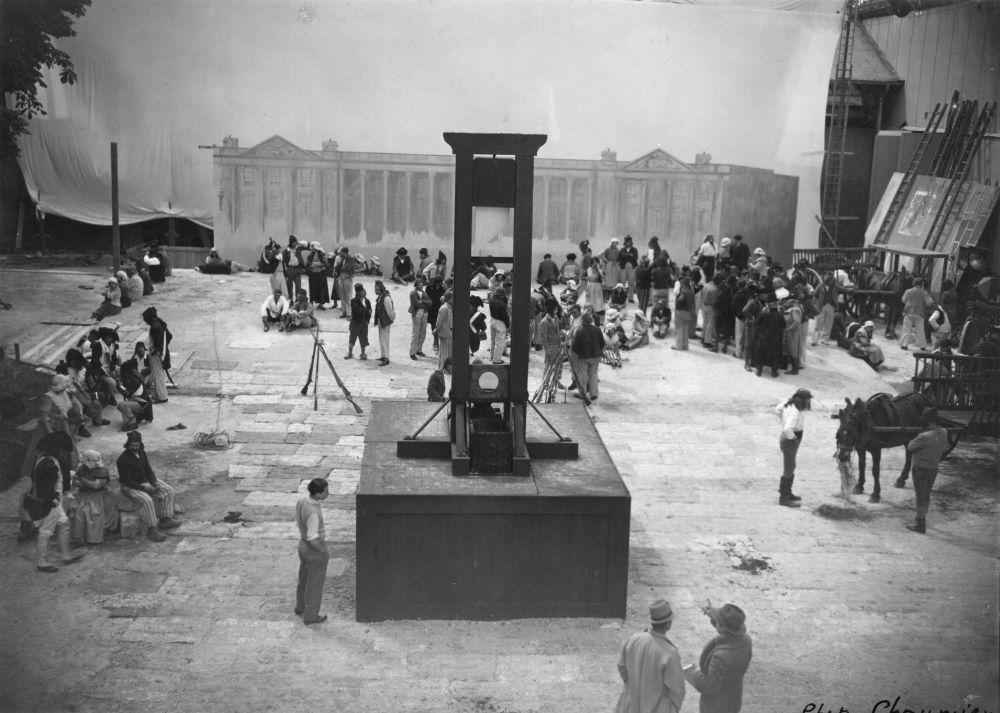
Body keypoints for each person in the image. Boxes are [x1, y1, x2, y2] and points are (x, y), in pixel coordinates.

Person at [615, 598, 685, 713]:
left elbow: (622, 666)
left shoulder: (634, 639)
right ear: (668, 624)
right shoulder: (669, 653)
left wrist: (634, 684)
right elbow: (677, 689)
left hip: (629, 706)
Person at [28, 432, 85, 572]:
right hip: (51, 502)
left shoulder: (42, 457)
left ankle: (65, 556)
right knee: (46, 531)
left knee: (64, 524)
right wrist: (54, 501)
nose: (64, 452)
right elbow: (45, 488)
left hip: (53, 501)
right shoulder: (50, 463)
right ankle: (42, 562)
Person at [684, 601, 753, 713]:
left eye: (718, 623)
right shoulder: (746, 640)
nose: (716, 626)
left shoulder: (720, 658)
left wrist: (696, 674)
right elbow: (727, 630)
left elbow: (711, 687)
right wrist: (713, 616)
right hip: (733, 700)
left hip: (715, 707)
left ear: (722, 627)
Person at [116, 431, 180, 542]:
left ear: (140, 444)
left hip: (145, 481)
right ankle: (152, 529)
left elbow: (148, 470)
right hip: (131, 486)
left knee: (168, 490)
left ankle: (165, 519)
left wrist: (154, 482)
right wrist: (144, 488)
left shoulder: (142, 453)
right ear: (128, 444)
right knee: (147, 500)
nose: (135, 448)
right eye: (132, 445)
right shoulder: (122, 459)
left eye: (137, 445)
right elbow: (127, 480)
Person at [904, 408, 949, 534]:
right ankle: (923, 518)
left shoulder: (924, 436)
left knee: (920, 496)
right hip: (933, 469)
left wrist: (920, 435)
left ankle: (920, 523)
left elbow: (910, 447)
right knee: (926, 494)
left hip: (920, 469)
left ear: (927, 421)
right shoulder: (944, 432)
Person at [295, 478, 330, 625]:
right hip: (313, 550)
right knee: (315, 584)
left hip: (302, 546)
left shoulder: (303, 501)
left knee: (303, 578)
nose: (328, 493)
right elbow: (313, 537)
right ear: (318, 494)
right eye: (325, 491)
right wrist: (323, 551)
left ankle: (300, 607)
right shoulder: (314, 513)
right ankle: (311, 616)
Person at [69, 449, 120, 544]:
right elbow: (75, 482)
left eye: (97, 460)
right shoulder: (83, 467)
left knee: (88, 511)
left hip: (99, 496)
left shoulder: (103, 470)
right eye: (93, 460)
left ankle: (92, 538)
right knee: (74, 508)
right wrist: (88, 484)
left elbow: (96, 486)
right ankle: (80, 538)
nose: (96, 462)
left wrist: (82, 479)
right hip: (84, 494)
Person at [777, 388, 811, 507]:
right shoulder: (795, 412)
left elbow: (778, 409)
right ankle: (784, 497)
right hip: (790, 441)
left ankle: (787, 492)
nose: (808, 402)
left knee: (791, 466)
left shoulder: (789, 404)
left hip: (789, 440)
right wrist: (794, 439)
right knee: (789, 468)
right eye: (807, 400)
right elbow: (787, 429)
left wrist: (782, 420)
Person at [40, 373, 85, 441]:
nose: (65, 388)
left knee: (80, 416)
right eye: (64, 386)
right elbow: (45, 417)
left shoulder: (64, 392)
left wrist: (77, 409)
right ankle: (68, 438)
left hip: (65, 418)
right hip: (55, 423)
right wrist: (51, 433)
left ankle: (72, 434)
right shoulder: (48, 397)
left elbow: (75, 403)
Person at [571, 312, 604, 402]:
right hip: (595, 356)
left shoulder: (580, 331)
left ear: (583, 322)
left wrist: (579, 353)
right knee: (593, 375)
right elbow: (602, 343)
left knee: (583, 375)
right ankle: (593, 394)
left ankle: (583, 394)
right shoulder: (598, 329)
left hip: (584, 357)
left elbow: (574, 347)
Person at [141, 307, 172, 404]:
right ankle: (158, 394)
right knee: (158, 374)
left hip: (156, 356)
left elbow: (158, 342)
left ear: (149, 318)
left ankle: (162, 397)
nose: (145, 321)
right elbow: (169, 336)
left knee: (158, 375)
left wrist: (156, 351)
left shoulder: (155, 327)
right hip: (161, 353)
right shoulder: (159, 323)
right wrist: (163, 347)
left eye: (146, 319)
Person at [900, 276, 933, 350]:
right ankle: (922, 346)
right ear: (921, 284)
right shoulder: (924, 292)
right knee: (920, 330)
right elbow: (929, 303)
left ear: (914, 283)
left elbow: (903, 300)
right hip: (920, 314)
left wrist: (909, 302)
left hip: (908, 313)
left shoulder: (908, 291)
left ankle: (904, 345)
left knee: (906, 329)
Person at [346, 283, 371, 360]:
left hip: (364, 323)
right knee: (352, 338)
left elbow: (370, 312)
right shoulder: (353, 301)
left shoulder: (367, 301)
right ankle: (350, 353)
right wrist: (366, 311)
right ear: (358, 293)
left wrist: (367, 320)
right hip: (355, 323)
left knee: (363, 339)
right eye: (361, 291)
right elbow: (357, 310)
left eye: (363, 290)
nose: (363, 292)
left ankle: (363, 353)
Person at [373, 280, 395, 366]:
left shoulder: (386, 298)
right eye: (375, 288)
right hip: (381, 320)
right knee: (382, 339)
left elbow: (391, 311)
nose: (375, 291)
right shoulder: (381, 296)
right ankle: (383, 356)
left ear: (381, 289)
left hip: (385, 321)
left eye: (377, 289)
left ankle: (386, 358)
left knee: (385, 339)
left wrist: (391, 320)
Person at [409, 278, 432, 360]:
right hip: (417, 313)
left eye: (422, 285)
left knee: (422, 332)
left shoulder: (423, 293)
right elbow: (417, 304)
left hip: (424, 313)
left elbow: (430, 303)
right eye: (419, 285)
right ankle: (412, 352)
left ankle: (419, 349)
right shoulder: (413, 293)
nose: (421, 286)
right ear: (416, 285)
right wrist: (425, 302)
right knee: (416, 333)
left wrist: (423, 302)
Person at [488, 288, 510, 364]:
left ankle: (491, 356)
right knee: (500, 343)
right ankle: (496, 360)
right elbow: (505, 316)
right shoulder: (502, 303)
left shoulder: (491, 300)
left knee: (493, 340)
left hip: (492, 320)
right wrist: (507, 324)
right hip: (500, 323)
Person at [672, 277, 694, 351]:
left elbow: (681, 299)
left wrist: (677, 304)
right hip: (688, 311)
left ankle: (679, 346)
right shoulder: (691, 291)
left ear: (684, 284)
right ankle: (685, 345)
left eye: (681, 284)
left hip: (680, 311)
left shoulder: (684, 292)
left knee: (679, 329)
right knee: (685, 329)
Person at [433, 290, 454, 370]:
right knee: (443, 353)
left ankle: (443, 368)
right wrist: (436, 330)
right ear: (448, 299)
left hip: (448, 332)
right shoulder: (444, 308)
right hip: (445, 333)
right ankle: (441, 369)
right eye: (452, 298)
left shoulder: (449, 307)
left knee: (446, 352)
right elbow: (439, 322)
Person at [333, 247, 355, 318]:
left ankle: (349, 314)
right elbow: (336, 267)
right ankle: (344, 312)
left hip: (347, 277)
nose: (339, 253)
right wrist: (338, 267)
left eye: (341, 252)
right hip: (341, 277)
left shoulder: (351, 259)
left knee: (348, 296)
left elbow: (346, 268)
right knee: (342, 296)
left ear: (344, 252)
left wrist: (338, 268)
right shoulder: (341, 258)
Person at [282, 236, 304, 300]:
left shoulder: (298, 249)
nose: (296, 243)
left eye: (296, 242)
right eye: (294, 242)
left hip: (297, 269)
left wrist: (300, 243)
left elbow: (307, 247)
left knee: (298, 286)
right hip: (289, 269)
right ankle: (290, 300)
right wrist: (285, 272)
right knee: (289, 286)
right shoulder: (286, 251)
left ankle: (297, 300)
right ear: (291, 243)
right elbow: (284, 262)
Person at [619, 235, 639, 302]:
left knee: (631, 283)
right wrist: (630, 255)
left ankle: (630, 298)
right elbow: (621, 256)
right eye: (626, 241)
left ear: (631, 242)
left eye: (629, 242)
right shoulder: (622, 249)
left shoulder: (634, 249)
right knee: (622, 283)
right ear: (624, 242)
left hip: (632, 268)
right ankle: (622, 297)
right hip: (623, 267)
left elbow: (635, 257)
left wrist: (626, 255)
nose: (628, 243)